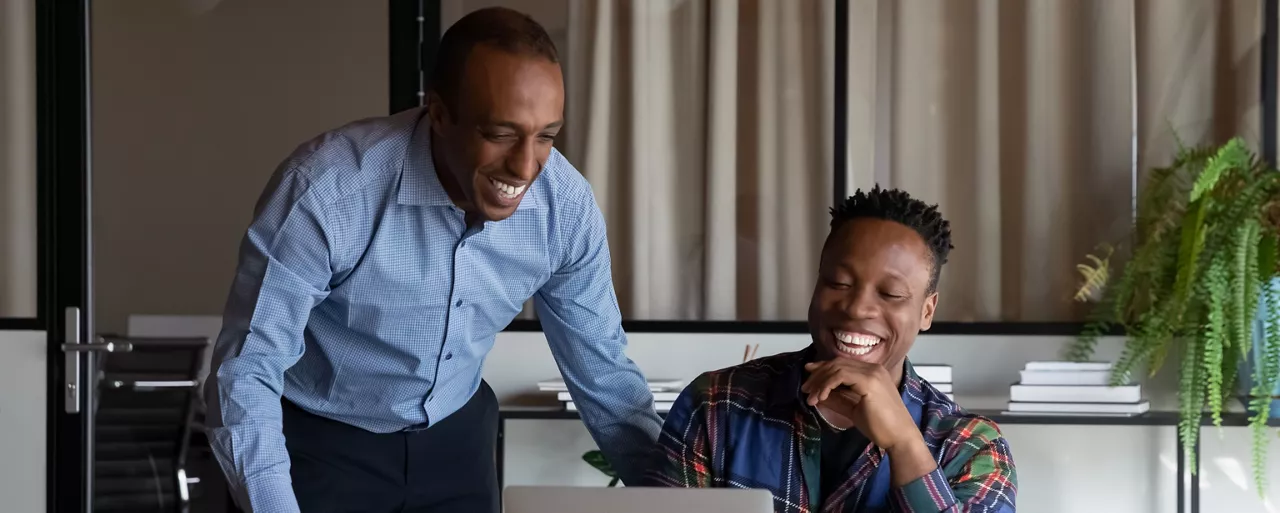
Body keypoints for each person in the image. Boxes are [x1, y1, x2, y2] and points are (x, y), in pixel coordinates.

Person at [204, 7, 662, 513]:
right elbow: (247, 371)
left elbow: (603, 376)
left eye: (546, 136)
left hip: (456, 446)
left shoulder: (565, 208)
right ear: (440, 115)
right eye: (501, 133)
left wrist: (680, 500)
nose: (525, 166)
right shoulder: (328, 191)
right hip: (319, 449)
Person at [645, 186, 1017, 512]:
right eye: (838, 283)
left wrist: (905, 444)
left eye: (890, 294)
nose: (857, 308)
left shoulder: (971, 447)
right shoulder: (715, 406)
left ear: (926, 311)